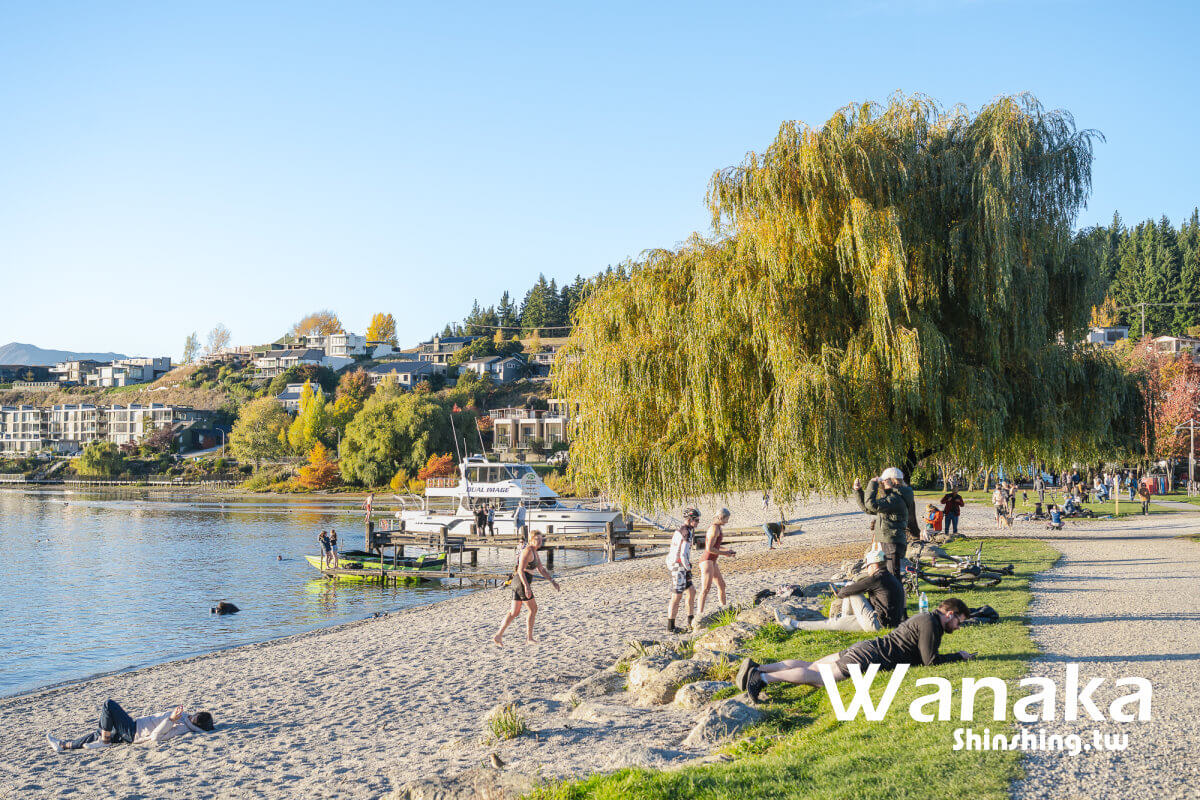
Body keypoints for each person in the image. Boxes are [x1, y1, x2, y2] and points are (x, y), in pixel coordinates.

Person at [735, 598, 974, 703]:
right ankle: (763, 678)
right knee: (820, 679)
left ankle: (759, 667)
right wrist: (958, 656)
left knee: (812, 666)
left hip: (867, 648)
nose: (958, 627)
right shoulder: (931, 624)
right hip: (870, 657)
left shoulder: (925, 618)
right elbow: (929, 661)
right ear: (950, 614)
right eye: (959, 622)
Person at [777, 549, 904, 632]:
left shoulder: (876, 579)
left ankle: (844, 616)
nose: (867, 570)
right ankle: (792, 624)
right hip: (885, 625)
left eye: (867, 567)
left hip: (876, 624)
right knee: (832, 624)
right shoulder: (891, 578)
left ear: (874, 565)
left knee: (850, 586)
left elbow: (844, 593)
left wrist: (840, 592)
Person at [47, 699, 214, 751]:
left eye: (193, 717)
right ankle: (64, 745)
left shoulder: (182, 728)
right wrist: (177, 714)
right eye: (193, 713)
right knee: (99, 731)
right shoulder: (185, 719)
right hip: (134, 726)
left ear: (195, 724)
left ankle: (104, 743)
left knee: (108, 706)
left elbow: (156, 737)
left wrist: (170, 719)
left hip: (133, 733)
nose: (190, 715)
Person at [493, 530, 559, 645]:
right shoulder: (528, 551)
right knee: (533, 609)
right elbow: (520, 570)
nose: (539, 542)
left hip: (520, 583)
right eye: (537, 539)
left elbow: (541, 569)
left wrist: (552, 581)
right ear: (531, 540)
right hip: (521, 582)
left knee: (514, 612)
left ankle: (498, 635)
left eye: (541, 539)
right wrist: (527, 587)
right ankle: (529, 638)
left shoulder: (534, 551)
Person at [854, 467, 919, 579]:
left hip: (892, 540)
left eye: (883, 481)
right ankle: (893, 594)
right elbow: (869, 509)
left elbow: (872, 505)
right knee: (890, 574)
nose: (882, 484)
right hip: (890, 539)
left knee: (893, 575)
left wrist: (872, 484)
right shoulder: (895, 496)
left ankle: (897, 596)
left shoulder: (896, 498)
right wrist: (858, 491)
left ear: (892, 481)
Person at [695, 508, 736, 623]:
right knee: (705, 589)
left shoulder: (717, 528)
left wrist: (727, 550)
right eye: (726, 519)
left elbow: (715, 546)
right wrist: (725, 553)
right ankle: (699, 615)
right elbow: (708, 548)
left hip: (712, 561)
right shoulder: (714, 529)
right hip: (707, 561)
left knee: (722, 585)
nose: (727, 521)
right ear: (720, 517)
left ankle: (724, 609)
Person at [666, 507, 700, 632]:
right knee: (677, 595)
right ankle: (671, 627)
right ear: (690, 519)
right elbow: (682, 554)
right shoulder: (686, 532)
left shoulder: (682, 530)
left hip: (677, 565)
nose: (698, 522)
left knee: (691, 591)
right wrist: (688, 567)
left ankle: (690, 621)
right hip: (679, 566)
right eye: (696, 520)